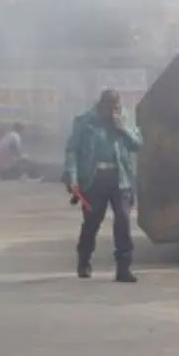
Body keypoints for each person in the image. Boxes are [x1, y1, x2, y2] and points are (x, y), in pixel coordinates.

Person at [64, 89, 143, 283]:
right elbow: (72, 150)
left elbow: (137, 144)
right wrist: (72, 177)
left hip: (120, 178)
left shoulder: (124, 120)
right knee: (92, 221)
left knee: (123, 220)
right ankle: (84, 261)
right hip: (95, 178)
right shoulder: (85, 122)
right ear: (101, 105)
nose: (113, 111)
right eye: (110, 107)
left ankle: (123, 267)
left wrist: (123, 129)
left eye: (117, 107)